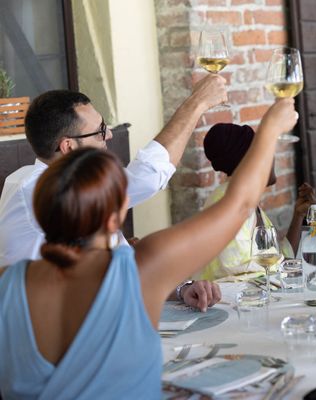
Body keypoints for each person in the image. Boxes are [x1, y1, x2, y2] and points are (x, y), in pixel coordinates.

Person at [0, 98, 297, 399]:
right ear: (115, 215)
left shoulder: (8, 281)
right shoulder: (140, 270)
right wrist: (269, 129)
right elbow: (239, 205)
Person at [0, 76, 227, 310]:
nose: (108, 134)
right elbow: (146, 177)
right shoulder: (35, 189)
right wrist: (197, 103)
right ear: (68, 147)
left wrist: (182, 289)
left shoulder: (74, 196)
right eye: (99, 131)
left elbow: (119, 275)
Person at [196, 123, 316, 280]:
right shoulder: (227, 201)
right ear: (250, 160)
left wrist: (298, 215)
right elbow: (238, 268)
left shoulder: (248, 202)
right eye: (264, 151)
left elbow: (280, 259)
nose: (272, 157)